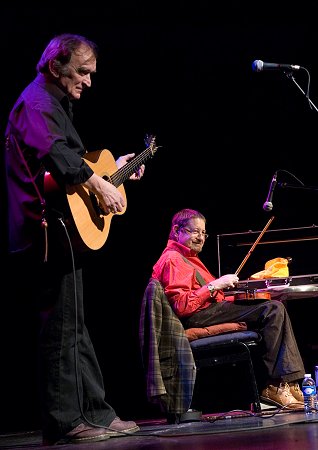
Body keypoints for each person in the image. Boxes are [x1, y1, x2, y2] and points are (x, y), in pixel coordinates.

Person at [4, 33, 145, 445]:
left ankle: (96, 412)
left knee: (76, 325)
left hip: (65, 230)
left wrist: (112, 171)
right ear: (55, 66)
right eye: (82, 72)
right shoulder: (37, 102)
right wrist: (99, 185)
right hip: (44, 232)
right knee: (60, 329)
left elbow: (77, 163)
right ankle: (65, 421)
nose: (88, 81)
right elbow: (60, 160)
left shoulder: (55, 103)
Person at [151, 208, 306, 410]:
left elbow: (213, 297)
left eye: (203, 233)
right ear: (176, 230)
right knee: (272, 310)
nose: (200, 238)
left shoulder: (188, 258)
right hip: (197, 317)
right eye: (194, 232)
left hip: (207, 312)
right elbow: (182, 305)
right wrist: (215, 284)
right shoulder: (173, 259)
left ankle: (289, 383)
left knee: (274, 306)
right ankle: (275, 386)